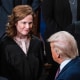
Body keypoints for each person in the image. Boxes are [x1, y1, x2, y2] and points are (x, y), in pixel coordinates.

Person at [0, 5, 45, 80]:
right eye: (24, 23)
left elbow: (42, 71)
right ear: (15, 23)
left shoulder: (37, 43)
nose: (27, 27)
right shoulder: (5, 44)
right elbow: (3, 74)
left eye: (30, 23)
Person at [41, 0, 80, 79]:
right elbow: (47, 18)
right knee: (57, 71)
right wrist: (63, 36)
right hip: (57, 39)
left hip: (77, 40)